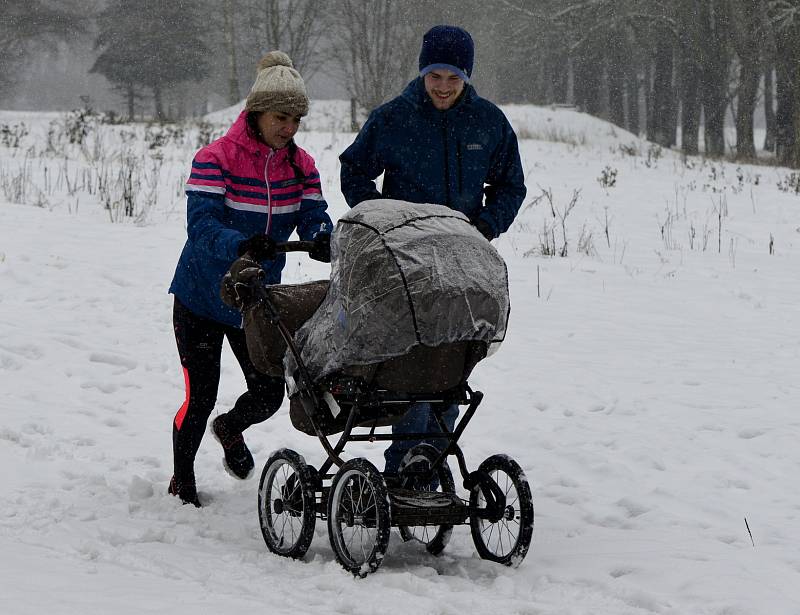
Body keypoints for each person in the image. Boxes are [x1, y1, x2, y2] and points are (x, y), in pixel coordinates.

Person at [339, 25, 527, 478]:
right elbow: (354, 171)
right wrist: (382, 219)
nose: (443, 86)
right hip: (405, 261)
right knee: (412, 361)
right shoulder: (393, 117)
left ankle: (434, 461)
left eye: (453, 77)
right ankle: (403, 464)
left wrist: (483, 226)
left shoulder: (488, 122)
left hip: (463, 260)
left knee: (452, 363)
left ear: (466, 76)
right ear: (423, 73)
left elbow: (511, 186)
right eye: (435, 75)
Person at [167, 51, 333, 506]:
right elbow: (200, 225)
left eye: (297, 119)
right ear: (257, 113)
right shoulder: (214, 158)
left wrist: (322, 237)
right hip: (200, 297)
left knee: (268, 393)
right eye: (282, 117)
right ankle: (183, 482)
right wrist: (240, 244)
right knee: (199, 396)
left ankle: (230, 428)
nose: (290, 128)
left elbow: (314, 213)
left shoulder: (301, 166)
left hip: (255, 299)